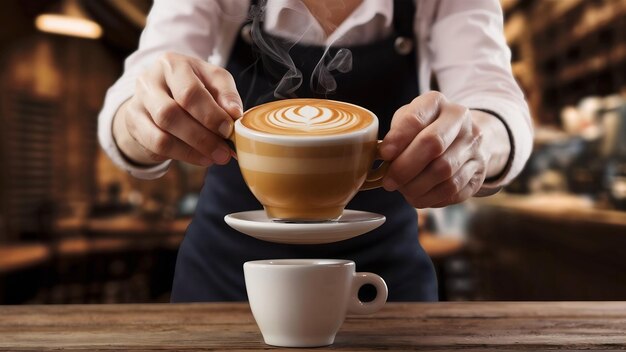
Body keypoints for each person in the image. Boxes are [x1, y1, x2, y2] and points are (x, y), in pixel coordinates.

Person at [98, 0, 533, 301]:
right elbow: (133, 95)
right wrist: (144, 118)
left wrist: (478, 142)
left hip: (381, 280)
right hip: (225, 276)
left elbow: (494, 98)